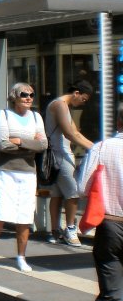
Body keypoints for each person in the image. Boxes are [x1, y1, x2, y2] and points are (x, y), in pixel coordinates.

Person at [0, 82, 47, 272]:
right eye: (24, 94)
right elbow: (4, 145)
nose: (29, 97)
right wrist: (31, 144)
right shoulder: (4, 115)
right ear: (15, 96)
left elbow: (43, 145)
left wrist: (20, 141)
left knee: (24, 216)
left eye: (32, 94)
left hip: (28, 172)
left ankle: (21, 257)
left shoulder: (37, 117)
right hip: (4, 171)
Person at [77, 107, 123, 301]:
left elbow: (82, 187)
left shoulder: (101, 148)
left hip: (110, 225)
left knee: (111, 294)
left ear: (118, 122)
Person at [45, 80, 95, 246]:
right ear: (76, 93)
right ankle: (71, 229)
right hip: (61, 155)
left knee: (57, 194)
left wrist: (95, 147)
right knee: (73, 193)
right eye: (84, 99)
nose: (83, 103)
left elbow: (75, 133)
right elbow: (70, 134)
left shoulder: (61, 105)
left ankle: (54, 231)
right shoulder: (60, 105)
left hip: (57, 155)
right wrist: (96, 149)